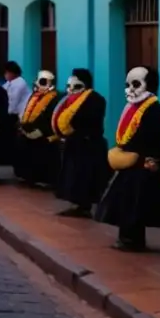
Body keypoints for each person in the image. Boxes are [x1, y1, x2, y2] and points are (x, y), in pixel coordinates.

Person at [95, 66, 160, 251]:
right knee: (127, 202)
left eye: (135, 84)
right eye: (127, 85)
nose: (130, 89)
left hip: (143, 164)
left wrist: (147, 161)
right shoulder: (134, 108)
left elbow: (154, 138)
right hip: (131, 163)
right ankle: (127, 237)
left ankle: (133, 240)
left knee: (137, 204)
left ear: (149, 86)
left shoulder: (154, 112)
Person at [52, 68, 109, 218]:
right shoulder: (69, 99)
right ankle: (78, 204)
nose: (71, 90)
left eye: (76, 85)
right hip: (74, 144)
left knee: (86, 176)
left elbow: (89, 121)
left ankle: (86, 206)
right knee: (73, 176)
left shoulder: (96, 99)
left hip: (88, 144)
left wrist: (75, 130)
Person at [15, 70, 60, 186]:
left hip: (44, 134)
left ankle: (44, 179)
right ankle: (27, 176)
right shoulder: (34, 96)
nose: (39, 85)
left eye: (43, 82)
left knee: (43, 157)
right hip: (28, 132)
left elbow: (52, 116)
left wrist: (42, 130)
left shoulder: (55, 98)